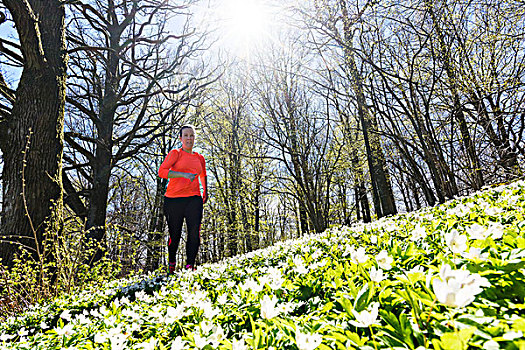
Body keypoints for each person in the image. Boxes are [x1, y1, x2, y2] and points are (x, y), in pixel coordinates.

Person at [158, 125, 208, 275]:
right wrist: (183, 175)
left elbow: (203, 175)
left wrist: (205, 191)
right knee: (175, 234)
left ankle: (190, 266)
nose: (189, 138)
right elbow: (162, 172)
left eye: (191, 135)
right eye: (186, 135)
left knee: (194, 233)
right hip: (174, 200)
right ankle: (172, 261)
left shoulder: (199, 158)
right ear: (180, 138)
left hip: (194, 198)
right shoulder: (176, 154)